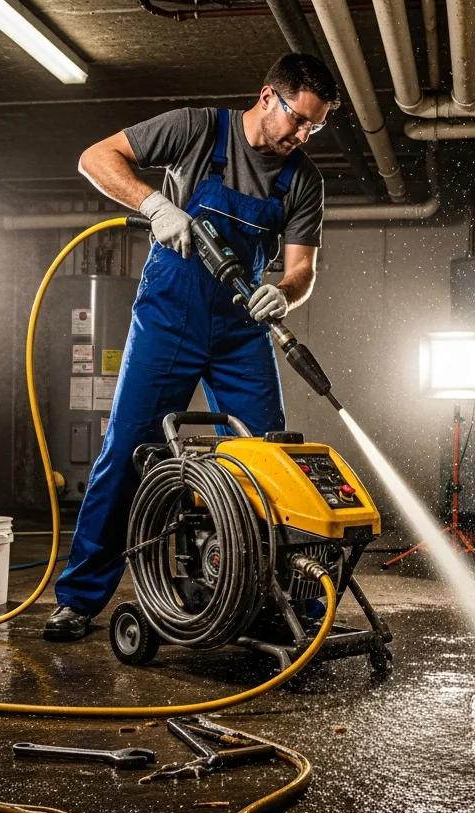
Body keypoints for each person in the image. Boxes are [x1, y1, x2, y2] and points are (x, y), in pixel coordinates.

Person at [43, 52, 338, 641]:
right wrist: (154, 205)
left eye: (316, 127)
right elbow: (96, 157)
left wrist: (283, 292)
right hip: (168, 319)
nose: (303, 136)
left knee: (265, 459)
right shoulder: (198, 128)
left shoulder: (303, 178)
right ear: (267, 96)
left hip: (239, 330)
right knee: (126, 451)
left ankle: (277, 603)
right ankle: (79, 599)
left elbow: (301, 269)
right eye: (299, 120)